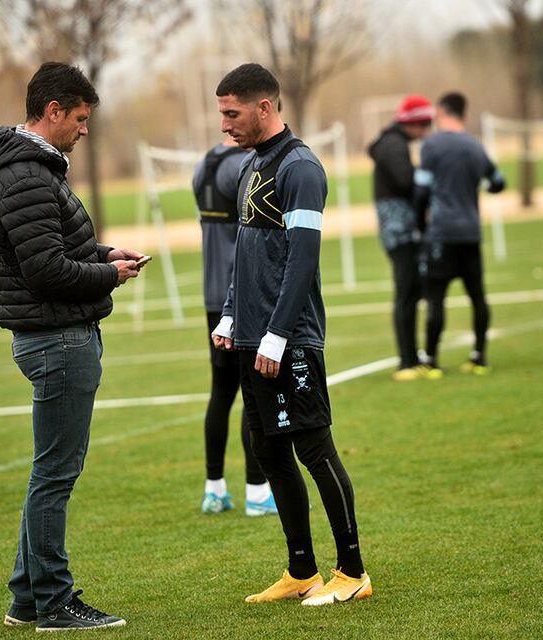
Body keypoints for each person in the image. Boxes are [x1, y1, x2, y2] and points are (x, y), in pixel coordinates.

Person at [0, 62, 145, 631]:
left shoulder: (33, 171)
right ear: (52, 112)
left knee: (49, 472)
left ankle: (27, 597)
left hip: (56, 335)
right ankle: (53, 600)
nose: (84, 129)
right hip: (56, 340)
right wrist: (110, 277)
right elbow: (46, 271)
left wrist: (104, 256)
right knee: (54, 476)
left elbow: (57, 248)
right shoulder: (25, 175)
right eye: (79, 118)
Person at [211, 63, 372, 606]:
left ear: (264, 107)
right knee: (269, 449)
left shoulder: (301, 167)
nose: (224, 125)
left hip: (291, 336)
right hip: (253, 336)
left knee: (314, 448)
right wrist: (233, 316)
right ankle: (301, 570)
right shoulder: (249, 165)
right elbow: (244, 251)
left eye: (232, 113)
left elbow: (304, 258)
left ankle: (352, 572)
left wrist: (279, 334)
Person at [192, 135, 277, 516]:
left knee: (221, 392)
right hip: (238, 295)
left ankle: (214, 490)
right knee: (251, 393)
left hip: (213, 296)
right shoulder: (239, 168)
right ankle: (258, 493)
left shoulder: (203, 165)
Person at [414, 92, 505, 376]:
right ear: (464, 113)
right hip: (470, 232)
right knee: (477, 296)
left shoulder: (433, 145)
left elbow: (421, 191)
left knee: (437, 297)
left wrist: (421, 226)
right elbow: (499, 182)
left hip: (442, 232)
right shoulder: (475, 146)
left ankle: (431, 359)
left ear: (441, 111)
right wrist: (480, 190)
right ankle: (479, 356)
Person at [368, 95, 434, 381]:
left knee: (410, 291)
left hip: (399, 229)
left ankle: (411, 356)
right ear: (414, 123)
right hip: (400, 230)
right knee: (406, 292)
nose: (427, 131)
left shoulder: (392, 143)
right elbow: (406, 181)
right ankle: (406, 360)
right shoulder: (393, 145)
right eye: (425, 124)